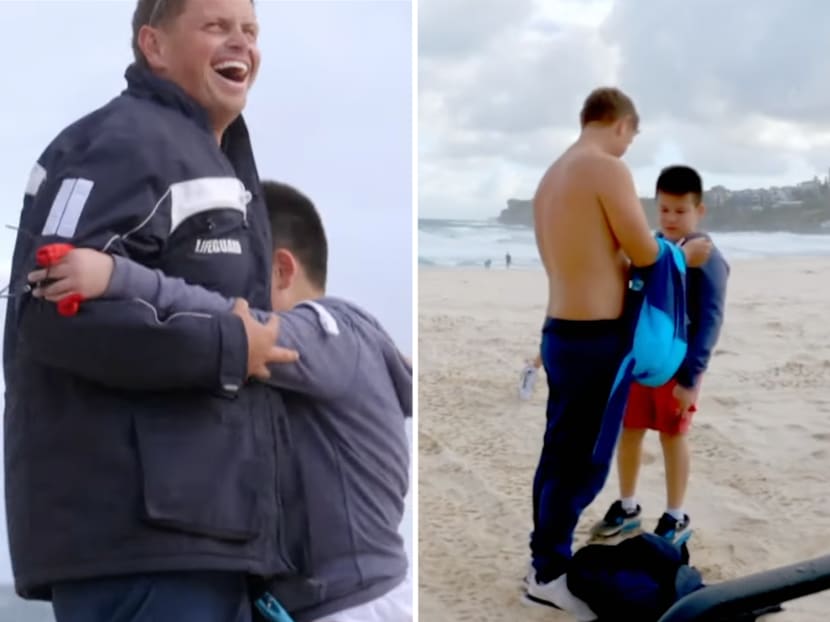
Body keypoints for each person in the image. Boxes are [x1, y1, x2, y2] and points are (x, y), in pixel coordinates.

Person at [3, 1, 297, 621]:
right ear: (153, 46)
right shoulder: (122, 142)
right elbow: (51, 313)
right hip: (139, 547)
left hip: (204, 536)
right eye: (216, 26)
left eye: (250, 30)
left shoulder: (211, 153)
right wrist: (230, 348)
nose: (239, 43)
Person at [29, 180, 414, 622]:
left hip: (356, 605)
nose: (220, 286)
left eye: (235, 269)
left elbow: (221, 321)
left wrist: (117, 277)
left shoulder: (331, 332)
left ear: (282, 270)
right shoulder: (329, 353)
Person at [527, 86, 711, 618]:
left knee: (557, 453)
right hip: (593, 340)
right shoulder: (604, 166)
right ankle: (549, 573)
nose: (629, 146)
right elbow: (643, 249)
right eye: (632, 136)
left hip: (558, 329)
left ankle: (543, 560)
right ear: (621, 125)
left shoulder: (550, 177)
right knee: (582, 462)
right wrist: (676, 253)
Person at [591, 165, 729, 544]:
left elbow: (709, 320)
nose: (671, 218)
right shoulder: (651, 249)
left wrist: (690, 378)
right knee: (630, 431)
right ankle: (628, 506)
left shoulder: (707, 257)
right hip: (639, 363)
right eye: (664, 209)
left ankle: (675, 515)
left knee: (672, 436)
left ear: (699, 211)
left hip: (677, 366)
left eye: (680, 211)